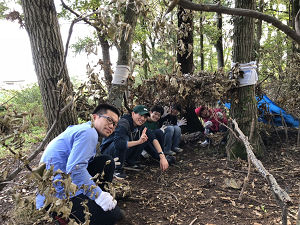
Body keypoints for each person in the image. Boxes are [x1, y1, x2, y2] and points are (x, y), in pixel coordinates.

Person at [36, 103, 124, 225]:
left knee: (106, 162)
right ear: (95, 117)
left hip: (62, 182)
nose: (112, 126)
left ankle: (97, 201)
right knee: (114, 216)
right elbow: (75, 169)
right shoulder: (89, 132)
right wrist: (99, 196)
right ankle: (59, 215)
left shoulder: (84, 129)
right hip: (57, 196)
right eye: (109, 120)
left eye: (115, 124)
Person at [101, 105, 169, 179]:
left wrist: (162, 157)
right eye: (140, 115)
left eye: (145, 117)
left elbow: (153, 138)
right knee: (126, 139)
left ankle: (131, 161)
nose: (143, 119)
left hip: (121, 150)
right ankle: (116, 169)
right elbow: (119, 144)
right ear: (133, 114)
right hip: (109, 152)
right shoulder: (124, 122)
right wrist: (138, 142)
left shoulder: (141, 125)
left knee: (144, 137)